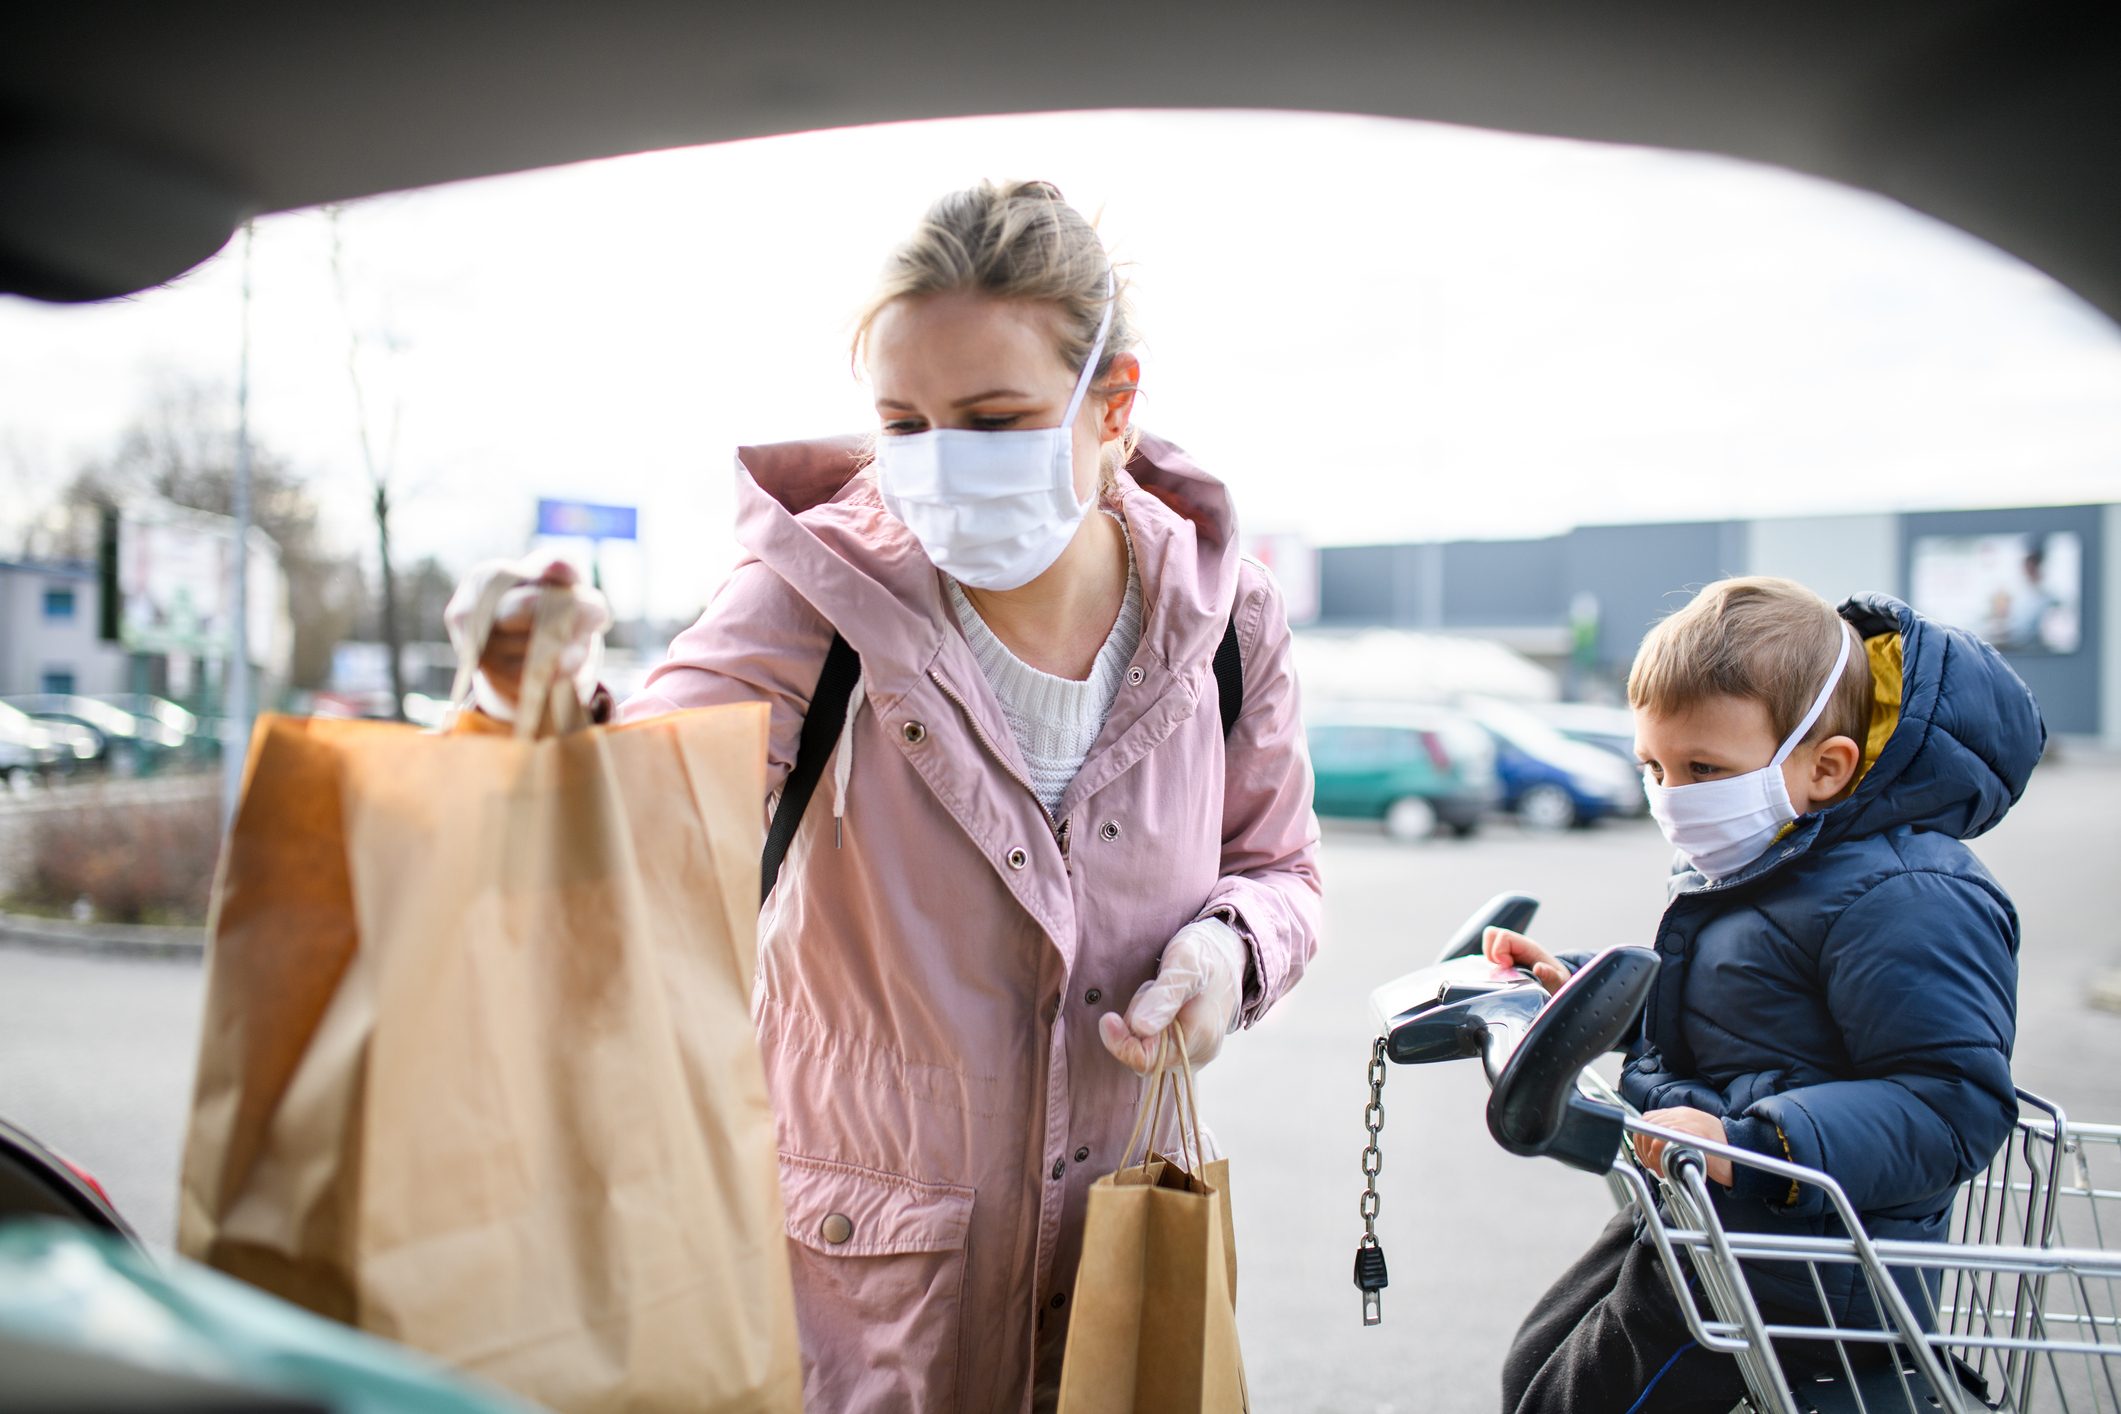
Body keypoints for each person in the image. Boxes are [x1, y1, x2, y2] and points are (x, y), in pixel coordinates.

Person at [452, 179, 1322, 1412]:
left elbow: (1281, 871)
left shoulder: (1226, 616)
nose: (939, 464)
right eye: (903, 421)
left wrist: (1229, 957)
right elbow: (628, 805)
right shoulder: (812, 594)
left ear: (1114, 405)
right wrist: (528, 712)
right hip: (860, 1304)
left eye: (994, 417)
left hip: (1121, 1278)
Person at [1486, 576, 2043, 1413]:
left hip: (1810, 1271)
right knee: (1533, 1368)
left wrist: (1754, 1142)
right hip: (1717, 1220)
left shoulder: (1907, 895)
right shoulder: (1770, 862)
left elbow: (1948, 1104)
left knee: (1571, 1401)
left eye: (1703, 768)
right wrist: (1582, 987)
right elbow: (1735, 1005)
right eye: (1654, 767)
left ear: (1825, 767)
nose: (1672, 797)